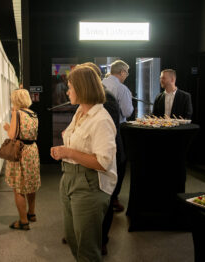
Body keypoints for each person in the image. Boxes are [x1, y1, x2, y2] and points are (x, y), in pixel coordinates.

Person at [51, 65, 117, 262]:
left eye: (70, 87)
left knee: (87, 248)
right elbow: (80, 141)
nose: (68, 91)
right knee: (73, 239)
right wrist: (67, 143)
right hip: (69, 178)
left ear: (82, 88)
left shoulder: (101, 119)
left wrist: (68, 151)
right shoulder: (80, 112)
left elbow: (103, 162)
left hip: (88, 184)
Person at [82, 62, 125, 255]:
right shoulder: (88, 99)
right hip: (91, 159)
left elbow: (109, 134)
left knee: (104, 200)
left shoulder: (107, 100)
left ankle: (102, 241)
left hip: (105, 159)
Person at [3, 89, 40, 230]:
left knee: (18, 187)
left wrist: (7, 127)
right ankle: (32, 213)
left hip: (20, 152)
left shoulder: (17, 114)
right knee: (30, 184)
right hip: (32, 151)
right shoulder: (33, 114)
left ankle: (23, 221)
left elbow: (12, 135)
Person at [102, 60, 133, 212]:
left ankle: (103, 195)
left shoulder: (100, 84)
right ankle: (113, 198)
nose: (126, 76)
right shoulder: (122, 88)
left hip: (99, 129)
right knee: (119, 163)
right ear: (121, 72)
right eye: (126, 73)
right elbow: (127, 112)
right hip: (115, 130)